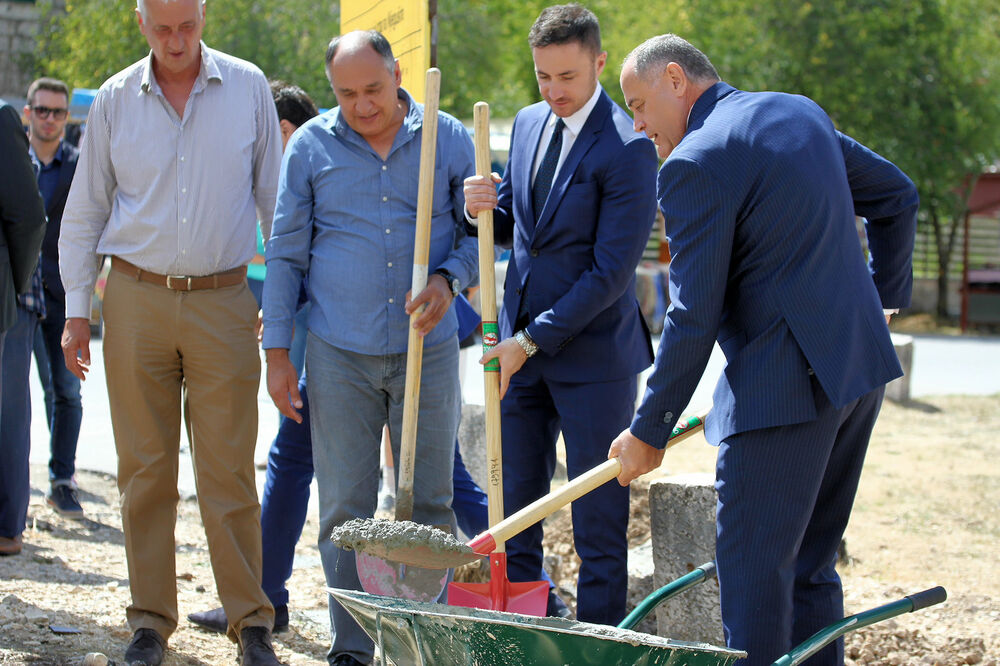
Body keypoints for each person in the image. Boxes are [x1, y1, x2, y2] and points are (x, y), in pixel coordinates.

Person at [613, 34, 918, 665]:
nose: (638, 125)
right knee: (809, 568)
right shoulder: (796, 112)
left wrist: (647, 429)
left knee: (753, 585)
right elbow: (898, 194)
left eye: (639, 105)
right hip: (856, 376)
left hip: (782, 395)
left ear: (675, 79)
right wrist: (881, 304)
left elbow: (691, 315)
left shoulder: (695, 160)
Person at [57, 0, 284, 663]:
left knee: (229, 471)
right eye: (163, 28)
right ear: (141, 23)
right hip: (134, 299)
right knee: (144, 470)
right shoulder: (114, 99)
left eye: (187, 25)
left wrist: (288, 308)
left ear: (204, 15)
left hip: (224, 299)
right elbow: (87, 206)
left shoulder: (247, 88)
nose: (176, 40)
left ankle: (252, 622)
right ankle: (150, 620)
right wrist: (77, 309)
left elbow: (277, 201)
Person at [262, 31, 477, 666]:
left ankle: (421, 644)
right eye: (346, 94)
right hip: (338, 351)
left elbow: (482, 234)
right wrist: (278, 354)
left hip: (427, 350)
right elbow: (285, 254)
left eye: (373, 90)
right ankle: (352, 648)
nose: (361, 106)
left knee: (431, 504)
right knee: (345, 511)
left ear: (398, 73)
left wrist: (449, 278)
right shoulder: (310, 147)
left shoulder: (449, 138)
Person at [463, 3, 657, 625]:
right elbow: (525, 231)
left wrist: (530, 341)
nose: (554, 92)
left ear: (598, 62)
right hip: (520, 356)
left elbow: (610, 273)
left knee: (597, 524)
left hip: (594, 362)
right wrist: (481, 208)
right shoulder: (524, 123)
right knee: (514, 510)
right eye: (543, 77)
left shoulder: (629, 147)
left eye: (567, 77)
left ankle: (598, 645)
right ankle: (521, 639)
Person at [20, 77, 86, 519]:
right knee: (11, 391)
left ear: (67, 117)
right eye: (41, 110)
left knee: (65, 389)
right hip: (16, 290)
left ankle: (62, 481)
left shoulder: (80, 165)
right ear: (28, 113)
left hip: (61, 294)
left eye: (57, 112)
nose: (49, 118)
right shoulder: (11, 161)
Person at [0, 100, 47, 557]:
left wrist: (10, 282)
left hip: (10, 302)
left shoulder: (1, 119)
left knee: (9, 411)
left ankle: (7, 525)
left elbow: (29, 218)